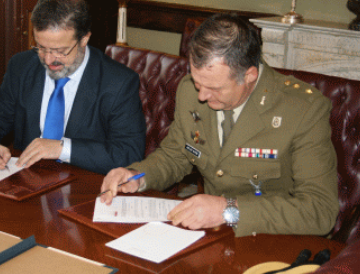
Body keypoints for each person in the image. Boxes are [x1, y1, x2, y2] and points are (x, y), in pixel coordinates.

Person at [100, 14, 339, 237]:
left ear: (249, 76)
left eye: (214, 88)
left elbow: (320, 210)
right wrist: (138, 176)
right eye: (197, 82)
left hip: (270, 239)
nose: (202, 96)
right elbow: (175, 155)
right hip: (210, 234)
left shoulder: (303, 109)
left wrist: (229, 210)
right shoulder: (190, 91)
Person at [0, 0, 146, 174]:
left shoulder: (118, 82)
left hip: (84, 187)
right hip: (26, 181)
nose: (49, 59)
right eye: (41, 48)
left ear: (84, 39)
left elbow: (129, 153)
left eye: (60, 51)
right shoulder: (22, 67)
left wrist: (62, 148)